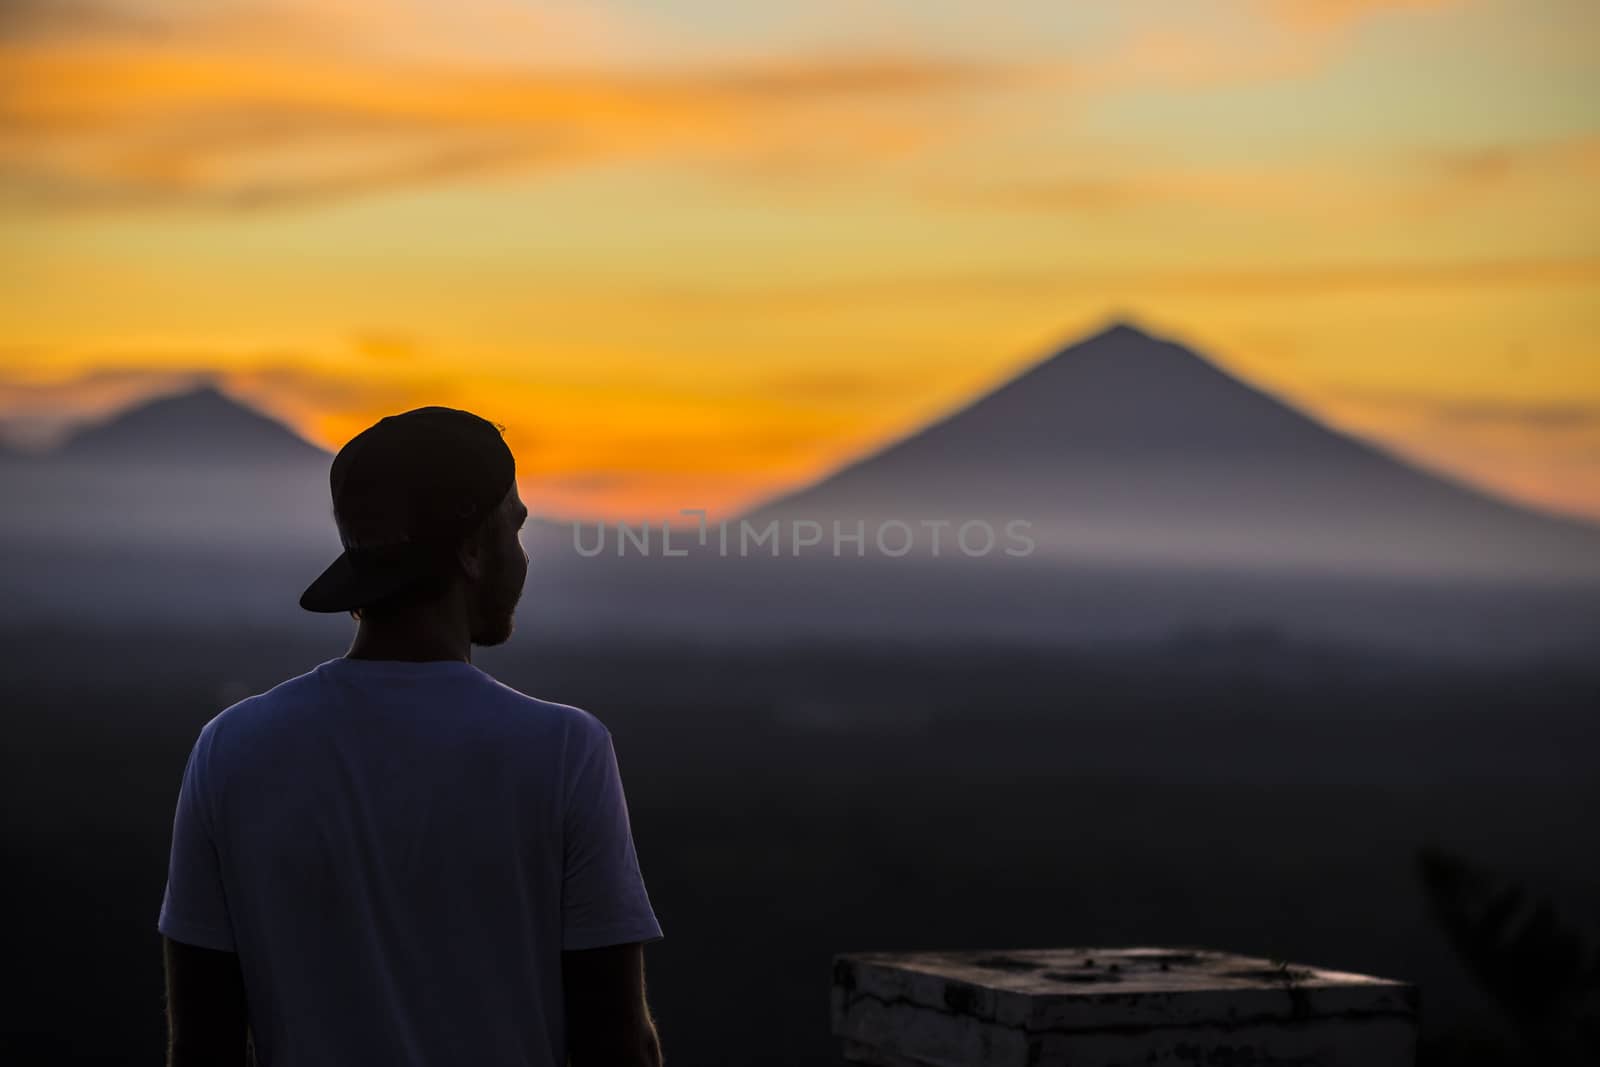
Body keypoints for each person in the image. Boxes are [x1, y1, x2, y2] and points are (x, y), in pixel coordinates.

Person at [158, 406, 664, 1066]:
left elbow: (202, 1042)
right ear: (474, 550)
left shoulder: (232, 748)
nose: (523, 553)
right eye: (514, 526)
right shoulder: (564, 752)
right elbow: (616, 1039)